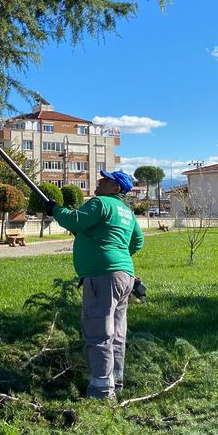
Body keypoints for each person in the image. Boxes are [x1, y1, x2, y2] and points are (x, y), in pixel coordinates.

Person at [48, 171, 144, 399]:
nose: (100, 181)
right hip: (125, 276)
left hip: (101, 277)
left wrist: (54, 209)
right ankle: (116, 383)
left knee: (99, 334)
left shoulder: (100, 203)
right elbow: (138, 241)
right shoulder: (127, 213)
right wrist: (117, 254)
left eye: (106, 180)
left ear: (116, 189)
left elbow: (74, 221)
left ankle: (101, 393)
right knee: (117, 334)